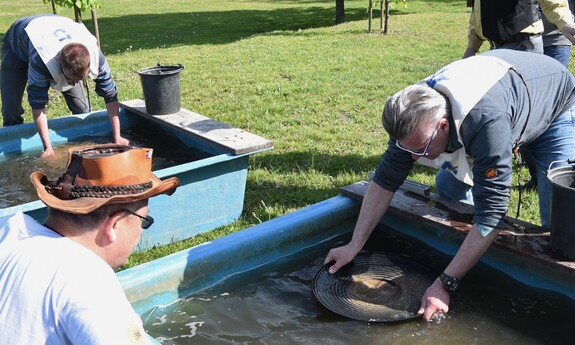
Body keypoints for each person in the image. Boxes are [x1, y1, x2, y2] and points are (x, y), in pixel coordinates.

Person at [324, 49, 575, 321]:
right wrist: (354, 245)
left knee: (560, 216)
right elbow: (384, 181)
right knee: (452, 190)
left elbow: (492, 216)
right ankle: (471, 257)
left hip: (552, 98)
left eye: (420, 149)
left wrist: (444, 284)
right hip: (504, 90)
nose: (412, 158)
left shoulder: (486, 123)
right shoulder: (411, 116)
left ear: (444, 126)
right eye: (408, 150)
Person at [0, 144, 180, 343]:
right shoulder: (88, 279)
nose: (139, 233)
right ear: (115, 224)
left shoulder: (9, 229)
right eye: (143, 221)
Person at [1, 14, 130, 158]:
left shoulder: (96, 56)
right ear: (59, 61)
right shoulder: (41, 59)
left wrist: (117, 136)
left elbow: (110, 95)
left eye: (79, 79)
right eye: (70, 79)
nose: (74, 84)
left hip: (58, 27)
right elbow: (37, 104)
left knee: (82, 109)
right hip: (17, 45)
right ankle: (12, 154)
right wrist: (48, 148)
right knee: (10, 111)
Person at [462, 0, 575, 59]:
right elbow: (477, 10)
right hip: (498, 46)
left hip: (523, 45)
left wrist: (565, 23)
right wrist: (472, 47)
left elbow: (552, 2)